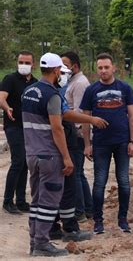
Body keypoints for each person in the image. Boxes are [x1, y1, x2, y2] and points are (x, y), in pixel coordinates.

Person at [22, 52, 74, 257]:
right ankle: (42, 243)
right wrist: (67, 157)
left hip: (32, 155)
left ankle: (34, 242)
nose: (61, 74)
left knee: (36, 200)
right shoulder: (51, 94)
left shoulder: (28, 91)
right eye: (60, 70)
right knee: (49, 201)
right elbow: (57, 128)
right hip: (49, 156)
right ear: (55, 70)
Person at [49, 64, 108, 242]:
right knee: (67, 186)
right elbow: (63, 119)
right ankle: (69, 228)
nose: (65, 77)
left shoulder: (47, 91)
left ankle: (59, 225)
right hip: (63, 142)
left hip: (56, 144)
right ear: (55, 72)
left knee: (62, 185)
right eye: (63, 74)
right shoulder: (53, 94)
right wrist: (91, 120)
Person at [80, 53, 133, 235]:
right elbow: (86, 120)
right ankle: (98, 221)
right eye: (100, 68)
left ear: (113, 68)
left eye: (106, 67)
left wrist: (132, 141)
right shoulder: (91, 91)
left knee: (124, 182)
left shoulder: (125, 88)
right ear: (97, 69)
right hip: (101, 144)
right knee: (99, 182)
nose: (103, 71)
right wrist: (87, 144)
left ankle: (123, 219)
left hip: (122, 142)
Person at [0, 51, 38, 214]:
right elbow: (1, 98)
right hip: (14, 126)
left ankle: (21, 200)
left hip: (29, 128)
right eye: (21, 62)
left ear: (33, 64)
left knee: (25, 163)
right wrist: (6, 107)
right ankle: (8, 201)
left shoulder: (35, 83)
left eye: (26, 62)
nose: (23, 65)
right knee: (18, 160)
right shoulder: (10, 79)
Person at [61, 51, 94, 222]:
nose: (62, 68)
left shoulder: (80, 83)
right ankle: (89, 209)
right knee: (79, 173)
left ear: (74, 65)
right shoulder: (72, 82)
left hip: (77, 134)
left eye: (65, 65)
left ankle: (80, 210)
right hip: (74, 132)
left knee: (76, 173)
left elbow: (81, 112)